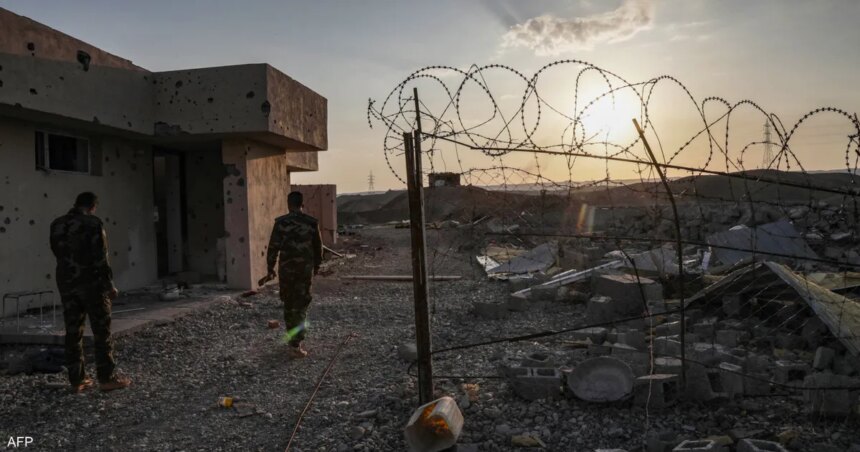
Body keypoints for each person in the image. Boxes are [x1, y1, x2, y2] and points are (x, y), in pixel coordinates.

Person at [49, 192, 131, 392]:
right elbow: (101, 257)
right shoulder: (93, 224)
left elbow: (57, 252)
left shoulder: (57, 224)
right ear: (93, 206)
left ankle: (77, 379)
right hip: (91, 284)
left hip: (67, 283)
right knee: (101, 331)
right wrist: (109, 286)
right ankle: (106, 377)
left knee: (73, 331)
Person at [261, 191, 323, 359]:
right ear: (302, 204)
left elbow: (273, 247)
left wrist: (270, 268)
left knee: (288, 303)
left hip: (286, 270)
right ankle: (296, 344)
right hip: (304, 271)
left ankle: (292, 341)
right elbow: (318, 248)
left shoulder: (281, 223)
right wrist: (317, 266)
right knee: (301, 305)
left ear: (289, 204)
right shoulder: (311, 223)